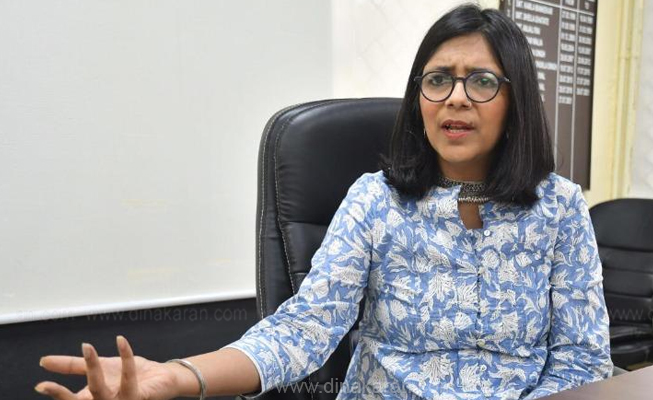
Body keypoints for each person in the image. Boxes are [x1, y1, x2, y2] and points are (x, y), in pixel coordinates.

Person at [36, 4, 613, 400]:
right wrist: (180, 376)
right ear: (418, 98)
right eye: (438, 79)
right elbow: (304, 329)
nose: (455, 98)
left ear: (516, 99)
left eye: (481, 81)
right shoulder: (376, 200)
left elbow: (581, 359)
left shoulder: (559, 208)